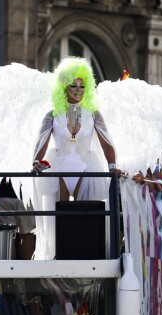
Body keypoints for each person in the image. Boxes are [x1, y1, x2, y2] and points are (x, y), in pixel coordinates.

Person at [31, 57, 119, 260]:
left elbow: (107, 142)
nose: (78, 89)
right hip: (59, 166)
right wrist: (36, 161)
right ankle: (59, 256)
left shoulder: (93, 114)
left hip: (86, 166)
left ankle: (83, 254)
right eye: (73, 85)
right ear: (64, 86)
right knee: (60, 216)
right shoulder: (52, 114)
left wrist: (112, 165)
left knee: (83, 215)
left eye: (82, 85)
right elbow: (42, 142)